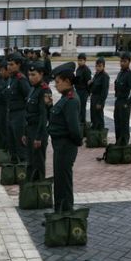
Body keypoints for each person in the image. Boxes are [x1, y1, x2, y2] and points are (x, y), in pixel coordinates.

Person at [48, 62, 82, 212]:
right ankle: (59, 212)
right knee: (59, 181)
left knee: (64, 182)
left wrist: (73, 144)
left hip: (65, 146)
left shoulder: (71, 101)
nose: (56, 85)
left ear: (67, 81)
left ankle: (66, 213)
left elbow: (74, 128)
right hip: (60, 146)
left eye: (58, 82)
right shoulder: (65, 98)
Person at [24, 61, 50, 181]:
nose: (31, 77)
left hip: (38, 131)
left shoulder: (44, 90)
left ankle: (40, 191)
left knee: (38, 163)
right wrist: (25, 133)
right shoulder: (32, 89)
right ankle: (30, 188)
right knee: (30, 161)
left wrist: (39, 137)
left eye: (34, 75)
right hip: (30, 130)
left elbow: (43, 116)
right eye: (29, 75)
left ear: (41, 74)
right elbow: (28, 113)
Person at [4, 52, 31, 163]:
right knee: (12, 143)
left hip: (19, 115)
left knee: (20, 144)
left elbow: (28, 97)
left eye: (12, 64)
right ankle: (14, 168)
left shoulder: (21, 80)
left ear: (19, 65)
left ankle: (23, 170)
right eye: (8, 64)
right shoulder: (11, 78)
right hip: (11, 114)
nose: (9, 67)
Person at [113, 52, 131, 146]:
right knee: (117, 124)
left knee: (124, 125)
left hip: (124, 103)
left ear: (129, 62)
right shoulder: (120, 73)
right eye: (121, 61)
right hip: (118, 101)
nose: (122, 63)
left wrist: (128, 102)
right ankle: (118, 143)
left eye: (125, 61)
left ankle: (124, 146)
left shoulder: (129, 74)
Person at [89, 57, 110, 132]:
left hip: (99, 98)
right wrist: (90, 83)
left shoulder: (105, 76)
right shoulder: (96, 75)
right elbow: (93, 87)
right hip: (93, 97)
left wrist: (100, 102)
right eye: (97, 66)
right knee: (93, 115)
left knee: (99, 116)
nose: (98, 68)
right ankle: (94, 133)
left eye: (100, 66)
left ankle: (101, 134)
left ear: (103, 66)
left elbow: (105, 91)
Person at [74, 53, 92, 128]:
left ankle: (83, 125)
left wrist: (88, 92)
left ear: (85, 61)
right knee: (78, 108)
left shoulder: (86, 70)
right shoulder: (78, 69)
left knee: (82, 109)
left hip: (83, 91)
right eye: (78, 60)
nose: (79, 62)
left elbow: (89, 83)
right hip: (78, 90)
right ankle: (79, 123)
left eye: (81, 60)